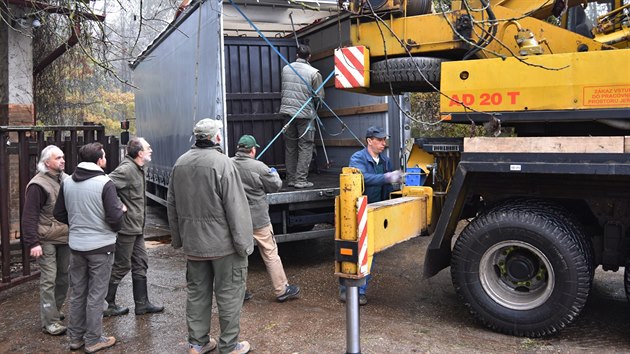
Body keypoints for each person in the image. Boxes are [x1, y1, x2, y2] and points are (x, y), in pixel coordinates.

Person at [167, 118, 253, 354]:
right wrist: (245, 244)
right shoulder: (223, 164)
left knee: (197, 293)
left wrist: (178, 239)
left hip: (194, 245)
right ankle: (229, 345)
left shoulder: (180, 163)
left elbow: (171, 204)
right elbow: (237, 208)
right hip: (223, 246)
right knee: (229, 295)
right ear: (216, 138)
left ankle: (198, 343)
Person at [54, 142, 126, 353]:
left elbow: (58, 213)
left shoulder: (67, 182)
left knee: (77, 293)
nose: (105, 159)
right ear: (99, 160)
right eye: (103, 156)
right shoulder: (105, 183)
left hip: (76, 247)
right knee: (96, 295)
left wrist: (77, 224)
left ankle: (75, 338)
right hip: (101, 247)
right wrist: (121, 211)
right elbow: (115, 218)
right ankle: (94, 339)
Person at [231, 135, 301, 302]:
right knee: (270, 253)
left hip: (237, 219)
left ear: (239, 148)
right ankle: (282, 290)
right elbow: (275, 186)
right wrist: (274, 174)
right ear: (253, 150)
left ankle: (240, 292)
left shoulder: (228, 164)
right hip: (259, 219)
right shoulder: (259, 167)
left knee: (238, 255)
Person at [339, 126, 402, 306]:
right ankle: (347, 291)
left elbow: (387, 187)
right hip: (355, 211)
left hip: (375, 210)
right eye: (380, 140)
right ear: (369, 141)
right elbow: (362, 178)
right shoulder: (357, 159)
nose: (384, 143)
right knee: (354, 251)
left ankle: (360, 290)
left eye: (384, 140)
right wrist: (388, 177)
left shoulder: (385, 160)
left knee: (369, 253)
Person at [103, 137, 164, 317]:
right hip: (127, 227)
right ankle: (107, 304)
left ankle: (142, 304)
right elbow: (105, 185)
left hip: (137, 227)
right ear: (139, 153)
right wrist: (118, 204)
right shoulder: (127, 169)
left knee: (141, 263)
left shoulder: (138, 168)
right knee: (121, 266)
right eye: (148, 147)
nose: (151, 150)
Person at [21, 145, 70, 336]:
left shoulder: (65, 179)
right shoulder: (37, 185)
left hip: (64, 237)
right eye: (58, 158)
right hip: (46, 239)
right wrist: (33, 242)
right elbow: (29, 216)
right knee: (49, 279)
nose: (62, 160)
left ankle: (55, 311)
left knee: (63, 277)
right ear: (46, 162)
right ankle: (50, 322)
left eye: (63, 157)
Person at [279, 44, 324, 189]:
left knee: (290, 147)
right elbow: (319, 97)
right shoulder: (314, 73)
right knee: (305, 146)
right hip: (305, 116)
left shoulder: (286, 69)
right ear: (309, 57)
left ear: (296, 55)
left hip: (287, 114)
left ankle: (291, 179)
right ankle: (300, 180)